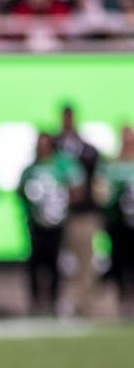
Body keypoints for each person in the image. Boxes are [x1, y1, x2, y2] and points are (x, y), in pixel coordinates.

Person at [18, 131, 83, 316]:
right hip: (35, 222)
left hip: (56, 222)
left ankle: (54, 300)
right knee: (35, 262)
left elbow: (77, 189)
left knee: (54, 261)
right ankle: (36, 301)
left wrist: (60, 201)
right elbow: (20, 191)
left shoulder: (61, 166)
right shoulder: (31, 169)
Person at [53, 104, 102, 317]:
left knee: (85, 260)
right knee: (59, 261)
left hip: (82, 213)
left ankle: (85, 304)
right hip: (56, 216)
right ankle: (61, 303)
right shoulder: (53, 147)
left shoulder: (87, 150)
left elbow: (97, 179)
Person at [95, 124, 134, 317]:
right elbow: (101, 192)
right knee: (119, 259)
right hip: (117, 221)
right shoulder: (111, 165)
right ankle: (123, 297)